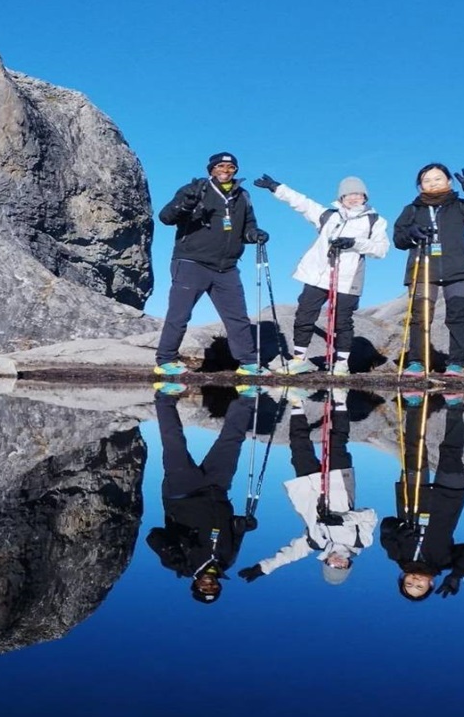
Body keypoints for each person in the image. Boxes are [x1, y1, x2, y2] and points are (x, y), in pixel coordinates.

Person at [253, 173, 389, 375]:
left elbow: (382, 249)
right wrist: (276, 187)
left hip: (348, 278)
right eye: (348, 194)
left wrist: (354, 243)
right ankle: (300, 359)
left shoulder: (374, 221)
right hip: (317, 275)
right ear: (341, 198)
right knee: (304, 315)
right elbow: (302, 203)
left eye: (358, 194)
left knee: (342, 321)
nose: (353, 198)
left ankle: (342, 363)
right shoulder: (328, 216)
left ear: (365, 197)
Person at [238, 387, 376, 586]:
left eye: (332, 566)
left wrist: (263, 568)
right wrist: (343, 519)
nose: (337, 563)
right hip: (339, 484)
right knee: (337, 441)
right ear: (348, 565)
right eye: (342, 567)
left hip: (308, 488)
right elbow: (370, 515)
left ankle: (296, 403)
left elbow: (290, 554)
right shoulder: (361, 541)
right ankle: (339, 400)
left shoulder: (315, 542)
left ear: (326, 563)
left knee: (298, 444)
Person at [154, 152, 269, 378]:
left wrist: (254, 234)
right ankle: (165, 360)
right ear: (211, 170)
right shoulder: (196, 189)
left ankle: (248, 363)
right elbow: (166, 217)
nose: (225, 170)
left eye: (230, 167)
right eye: (220, 166)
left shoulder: (242, 196)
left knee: (237, 316)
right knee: (180, 315)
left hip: (226, 267)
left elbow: (247, 227)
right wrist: (186, 201)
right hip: (190, 262)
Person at [146, 385, 259, 603]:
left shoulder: (184, 566)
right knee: (232, 441)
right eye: (213, 587)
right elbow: (235, 530)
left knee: (174, 442)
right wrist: (245, 525)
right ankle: (247, 397)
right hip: (216, 490)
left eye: (203, 587)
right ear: (218, 586)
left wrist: (173, 553)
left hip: (181, 493)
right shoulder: (228, 561)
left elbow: (153, 536)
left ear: (195, 584)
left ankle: (164, 396)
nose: (209, 584)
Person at [392, 163, 464, 377]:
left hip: (459, 269)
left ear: (448, 181)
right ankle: (416, 362)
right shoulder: (412, 209)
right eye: (427, 180)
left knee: (457, 316)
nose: (432, 183)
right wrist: (412, 233)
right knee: (419, 317)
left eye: (437, 179)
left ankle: (456, 363)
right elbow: (398, 240)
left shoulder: (460, 205)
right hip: (423, 269)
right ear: (420, 186)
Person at [380, 391, 464, 601]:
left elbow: (386, 525)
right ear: (431, 584)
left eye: (409, 583)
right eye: (419, 586)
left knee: (414, 449)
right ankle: (454, 406)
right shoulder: (444, 562)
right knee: (451, 452)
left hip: (413, 495)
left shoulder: (396, 555)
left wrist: (398, 531)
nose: (415, 580)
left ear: (403, 578)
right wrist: (457, 575)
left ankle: (415, 404)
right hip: (449, 498)